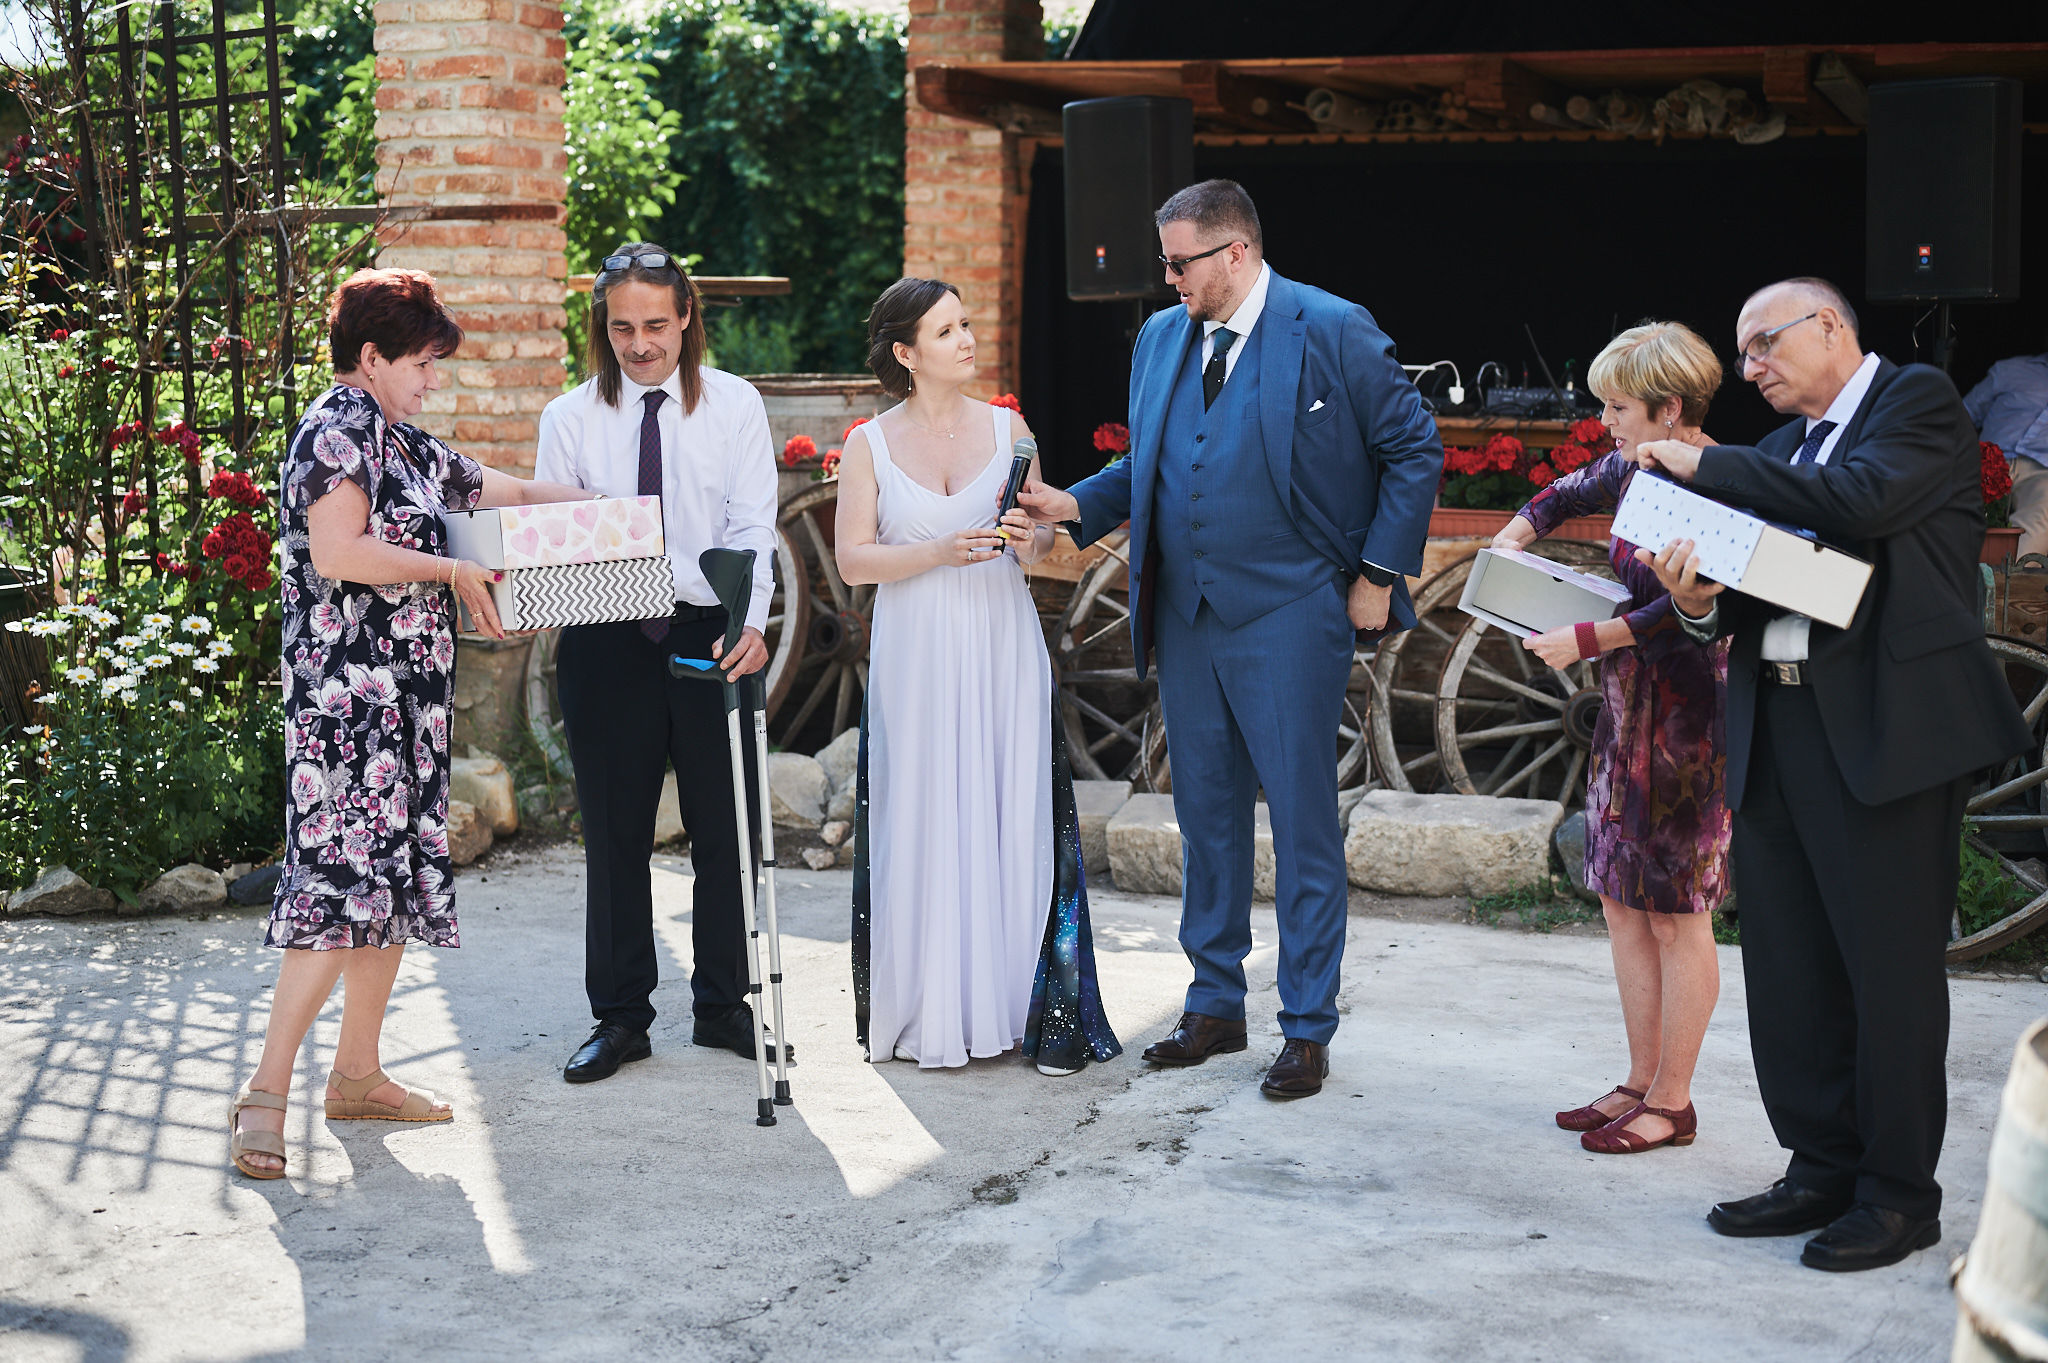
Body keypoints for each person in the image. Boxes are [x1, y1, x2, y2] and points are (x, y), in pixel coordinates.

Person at [1636, 276, 2030, 1271]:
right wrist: (1695, 599)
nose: (1750, 369)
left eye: (1762, 345)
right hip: (1778, 723)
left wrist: (1704, 460)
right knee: (1791, 968)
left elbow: (1862, 501)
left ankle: (1897, 1195)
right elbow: (1746, 591)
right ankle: (1818, 1166)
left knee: (1885, 971)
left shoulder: (1913, 403)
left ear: (1827, 325)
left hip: (1888, 731)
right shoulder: (1780, 451)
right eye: (1743, 355)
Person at [1018, 180, 1440, 1099]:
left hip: (1293, 611)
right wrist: (1073, 504)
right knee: (1205, 820)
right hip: (1187, 614)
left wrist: (1377, 573)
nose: (1168, 279)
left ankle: (1307, 1025)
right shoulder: (1161, 338)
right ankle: (1213, 1003)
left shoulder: (1331, 327)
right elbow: (1153, 460)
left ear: (1236, 252)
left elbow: (1414, 448)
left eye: (1180, 263)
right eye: (1164, 262)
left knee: (1301, 822)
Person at [233, 267, 595, 1179]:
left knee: (389, 880)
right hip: (346, 711)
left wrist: (608, 513)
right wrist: (450, 571)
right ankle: (265, 1090)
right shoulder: (334, 430)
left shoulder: (403, 443)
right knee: (338, 887)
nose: (434, 379)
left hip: (406, 703)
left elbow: (507, 491)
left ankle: (357, 1073)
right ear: (372, 356)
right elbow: (339, 551)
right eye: (424, 363)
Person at [837, 277, 1121, 1075]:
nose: (966, 339)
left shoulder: (1010, 430)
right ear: (906, 353)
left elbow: (1042, 543)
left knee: (1011, 812)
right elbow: (852, 561)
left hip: (1001, 643)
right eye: (945, 331)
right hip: (917, 655)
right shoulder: (868, 445)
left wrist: (1033, 537)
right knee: (924, 815)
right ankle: (932, 1011)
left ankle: (1021, 1010)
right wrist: (935, 550)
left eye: (965, 324)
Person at [534, 244, 787, 1084]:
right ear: (601, 328)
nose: (639, 344)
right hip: (606, 634)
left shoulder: (735, 404)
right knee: (615, 835)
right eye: (621, 328)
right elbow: (554, 540)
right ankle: (620, 1017)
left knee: (726, 828)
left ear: (685, 318)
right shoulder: (568, 418)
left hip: (712, 630)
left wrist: (752, 623)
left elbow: (752, 525)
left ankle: (722, 1005)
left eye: (654, 325)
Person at [1491, 322, 1729, 1155]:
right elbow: (1565, 492)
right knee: (1622, 901)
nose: (1605, 421)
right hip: (1629, 710)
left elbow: (1693, 608)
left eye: (1618, 406)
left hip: (1689, 724)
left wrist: (1586, 639)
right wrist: (1512, 537)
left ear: (1671, 407)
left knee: (1677, 915)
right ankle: (1637, 1079)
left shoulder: (1717, 483)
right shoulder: (1635, 465)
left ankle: (1674, 1099)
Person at [1962, 339, 2048, 558]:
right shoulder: (2009, 369)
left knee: (2045, 505)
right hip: (1987, 459)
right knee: (1954, 502)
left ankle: (2012, 577)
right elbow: (1962, 415)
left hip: (2042, 472)